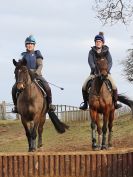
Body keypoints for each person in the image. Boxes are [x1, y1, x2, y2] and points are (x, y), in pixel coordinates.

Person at [12, 35, 55, 113]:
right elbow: (20, 65)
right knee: (14, 88)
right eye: (28, 44)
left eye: (31, 44)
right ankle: (16, 106)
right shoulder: (22, 55)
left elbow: (40, 65)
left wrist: (36, 73)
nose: (29, 45)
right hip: (25, 76)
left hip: (36, 74)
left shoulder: (37, 53)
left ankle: (50, 105)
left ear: (34, 45)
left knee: (47, 87)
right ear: (26, 45)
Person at [79, 32, 122, 110]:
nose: (98, 43)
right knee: (84, 86)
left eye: (99, 42)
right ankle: (85, 103)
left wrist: (106, 71)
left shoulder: (107, 52)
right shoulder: (91, 52)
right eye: (96, 42)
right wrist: (95, 69)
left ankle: (115, 103)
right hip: (94, 73)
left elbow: (110, 62)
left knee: (114, 86)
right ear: (95, 42)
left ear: (102, 43)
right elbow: (90, 62)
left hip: (105, 73)